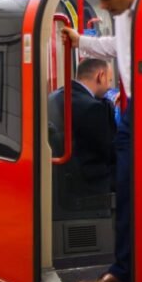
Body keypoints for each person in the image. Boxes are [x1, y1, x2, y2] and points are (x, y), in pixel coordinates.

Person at [62, 0, 139, 282]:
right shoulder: (123, 15)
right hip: (136, 109)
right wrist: (81, 41)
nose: (103, 6)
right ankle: (124, 268)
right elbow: (115, 47)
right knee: (126, 191)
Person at [48, 58, 116, 195]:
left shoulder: (54, 96)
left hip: (63, 179)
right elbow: (110, 152)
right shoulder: (93, 108)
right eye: (109, 80)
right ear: (100, 76)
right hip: (89, 182)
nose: (109, 87)